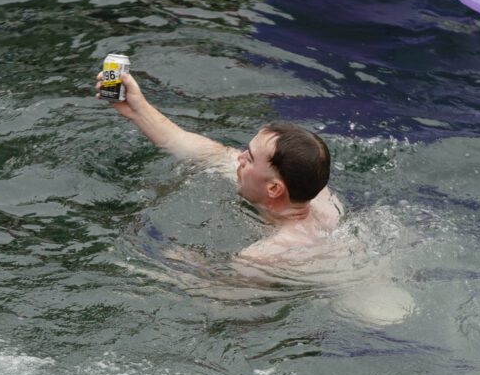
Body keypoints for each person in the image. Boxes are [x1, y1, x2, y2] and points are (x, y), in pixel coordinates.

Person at [96, 71, 343, 261]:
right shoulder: (321, 197)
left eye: (251, 158)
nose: (240, 157)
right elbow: (201, 150)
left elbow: (223, 303)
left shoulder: (268, 256)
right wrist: (137, 109)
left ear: (274, 189)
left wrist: (178, 264)